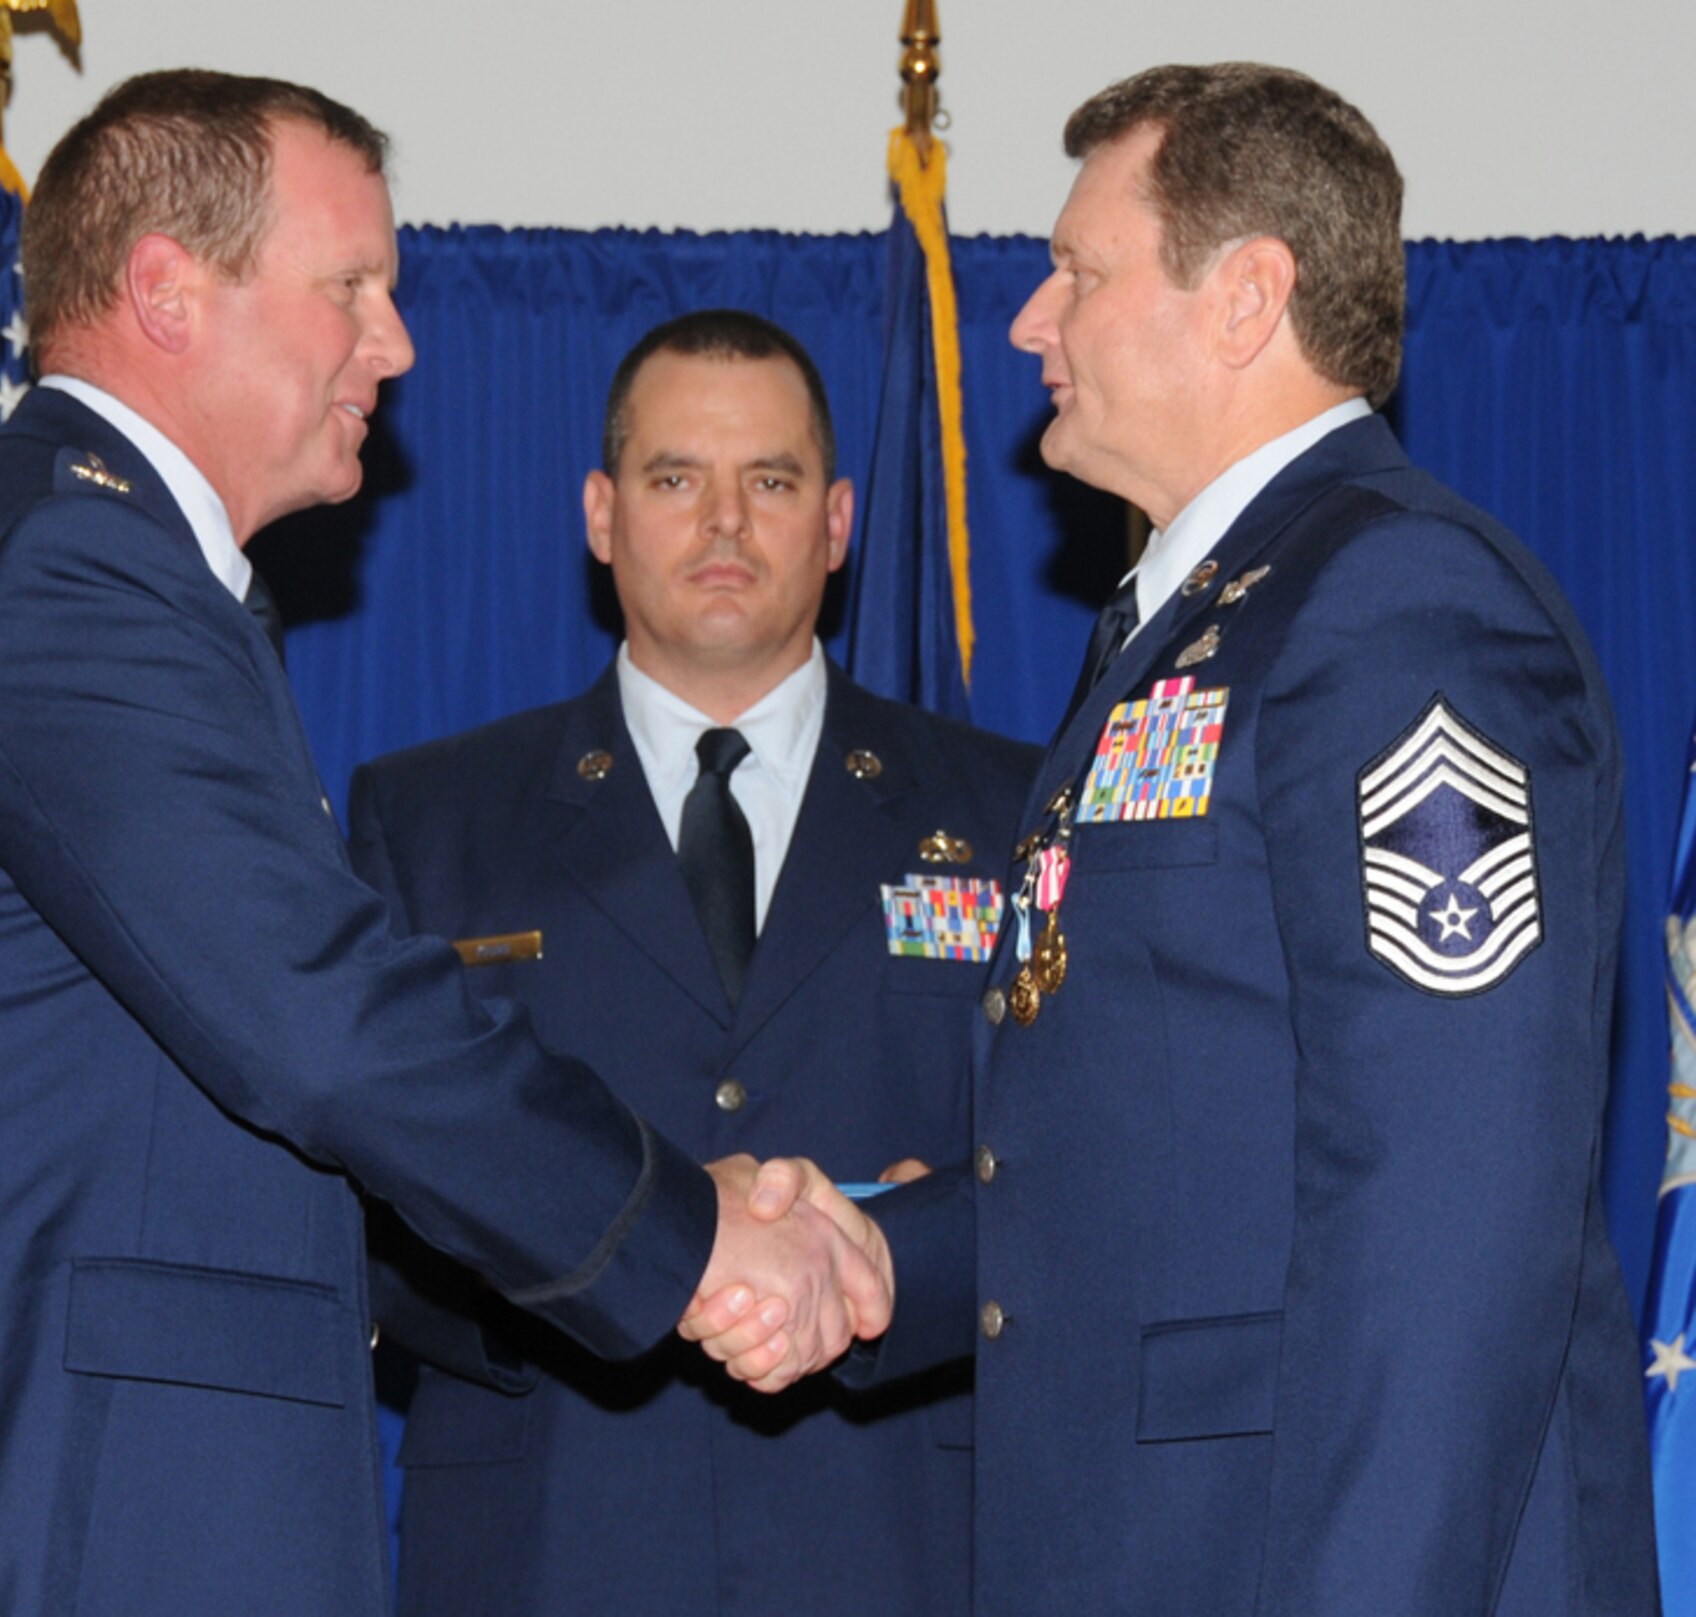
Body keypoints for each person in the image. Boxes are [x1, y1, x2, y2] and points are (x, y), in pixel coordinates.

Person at [0, 72, 890, 1617]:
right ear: (167, 292)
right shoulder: (72, 570)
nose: (392, 343)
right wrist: (690, 1227)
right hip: (15, 1521)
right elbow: (325, 1022)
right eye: (353, 289)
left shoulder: (125, 575)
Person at [689, 62, 1661, 1615]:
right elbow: (1154, 1159)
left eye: (1078, 269)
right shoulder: (1199, 624)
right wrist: (883, 1259)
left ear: (1244, 297)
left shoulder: (1401, 611)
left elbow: (1450, 1221)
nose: (1027, 320)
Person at [349, 309, 1038, 1615]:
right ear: (601, 514)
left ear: (837, 523)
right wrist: (629, 1256)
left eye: (770, 482)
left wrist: (905, 1254)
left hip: (905, 1542)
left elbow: (1089, 1168)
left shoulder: (1009, 810)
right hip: (554, 1540)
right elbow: (355, 1203)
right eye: (676, 479)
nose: (726, 524)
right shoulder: (432, 820)